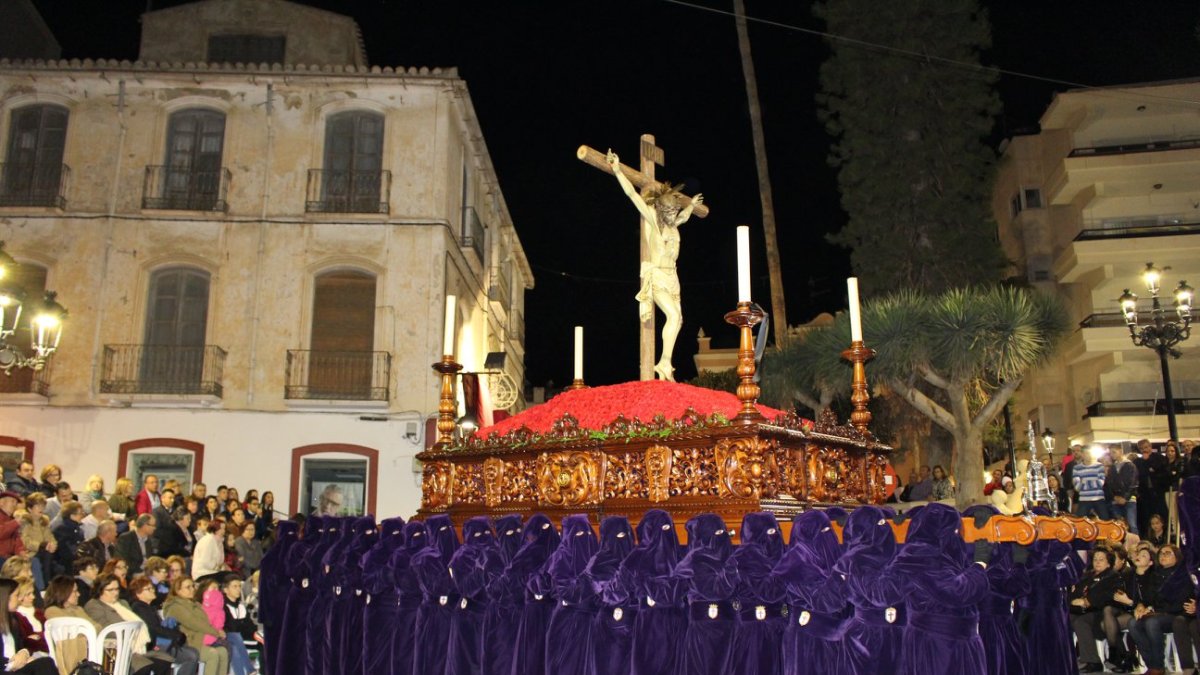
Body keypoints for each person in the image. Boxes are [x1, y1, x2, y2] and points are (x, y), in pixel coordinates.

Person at [605, 149, 702, 381]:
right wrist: (618, 170)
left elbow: (685, 216)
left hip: (673, 278)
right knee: (672, 315)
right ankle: (664, 363)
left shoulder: (674, 223)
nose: (671, 214)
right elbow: (633, 195)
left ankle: (665, 362)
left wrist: (691, 206)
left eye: (674, 211)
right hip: (657, 276)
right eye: (668, 211)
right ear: (660, 209)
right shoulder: (653, 222)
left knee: (678, 319)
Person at [725, 512, 787, 675]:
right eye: (769, 532)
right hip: (754, 631)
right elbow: (769, 592)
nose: (774, 537)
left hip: (778, 628)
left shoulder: (779, 553)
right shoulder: (745, 557)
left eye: (775, 532)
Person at [83, 573, 173, 675]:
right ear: (99, 590)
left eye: (117, 589)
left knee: (165, 660)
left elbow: (137, 625)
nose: (115, 593)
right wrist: (129, 638)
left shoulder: (122, 603)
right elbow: (104, 629)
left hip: (137, 646)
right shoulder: (94, 605)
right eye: (110, 590)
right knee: (144, 666)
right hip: (114, 650)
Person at [1128, 544, 1197, 675]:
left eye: (1168, 553)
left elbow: (1184, 600)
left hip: (1177, 615)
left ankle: (1158, 666)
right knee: (1132, 623)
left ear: (1177, 557)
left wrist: (1154, 610)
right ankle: (1152, 664)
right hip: (1158, 614)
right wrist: (1141, 606)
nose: (1163, 555)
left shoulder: (1183, 575)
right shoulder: (1155, 574)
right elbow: (1147, 597)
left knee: (1152, 623)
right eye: (1161, 553)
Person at [128, 576, 199, 675]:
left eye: (152, 587)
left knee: (193, 652)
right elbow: (154, 631)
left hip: (161, 643)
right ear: (138, 593)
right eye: (148, 589)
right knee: (191, 655)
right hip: (155, 647)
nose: (153, 590)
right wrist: (177, 636)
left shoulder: (148, 607)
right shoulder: (139, 608)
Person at [162, 576, 230, 675]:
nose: (192, 589)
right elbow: (194, 623)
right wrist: (216, 632)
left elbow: (206, 622)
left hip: (200, 639)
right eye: (188, 587)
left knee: (223, 652)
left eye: (193, 586)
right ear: (178, 590)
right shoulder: (175, 607)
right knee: (212, 654)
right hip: (188, 643)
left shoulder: (195, 604)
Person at [1069, 548, 1124, 672]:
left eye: (1101, 560)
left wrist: (1087, 602)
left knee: (1081, 622)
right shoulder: (1088, 575)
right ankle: (1067, 657)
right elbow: (1076, 591)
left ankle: (1092, 661)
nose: (1097, 562)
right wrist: (1074, 600)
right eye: (1095, 559)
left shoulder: (1113, 576)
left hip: (1101, 611)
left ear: (1109, 563)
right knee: (1064, 619)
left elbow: (1108, 596)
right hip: (1081, 610)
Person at [199, 577, 255, 675]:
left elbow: (226, 624)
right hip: (209, 637)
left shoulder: (223, 605)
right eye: (213, 588)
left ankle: (247, 671)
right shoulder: (202, 606)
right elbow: (225, 625)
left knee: (234, 645)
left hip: (223, 635)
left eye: (217, 588)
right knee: (234, 638)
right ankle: (250, 669)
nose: (216, 591)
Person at [0, 579, 56, 674]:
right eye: (16, 595)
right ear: (5, 598)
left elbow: (23, 645)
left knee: (46, 662)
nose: (20, 599)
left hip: (15, 668)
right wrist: (11, 664)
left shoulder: (13, 619)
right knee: (44, 665)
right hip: (4, 669)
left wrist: (24, 652)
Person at [18, 494, 55, 582]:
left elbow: (50, 536)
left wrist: (52, 545)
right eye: (38, 506)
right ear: (30, 508)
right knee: (43, 558)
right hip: (30, 553)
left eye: (42, 506)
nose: (41, 508)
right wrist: (40, 545)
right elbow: (24, 540)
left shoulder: (44, 520)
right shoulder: (24, 521)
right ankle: (44, 586)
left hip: (44, 551)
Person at [1110, 450, 1140, 535]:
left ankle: (1135, 545)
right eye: (1111, 453)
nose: (1112, 455)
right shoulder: (1113, 467)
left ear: (1120, 451)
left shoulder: (1130, 465)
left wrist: (1125, 497)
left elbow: (1133, 483)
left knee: (1132, 524)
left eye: (1114, 452)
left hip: (1130, 499)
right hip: (1116, 499)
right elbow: (1109, 483)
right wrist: (1114, 497)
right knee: (1118, 525)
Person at [1073, 450, 1109, 519]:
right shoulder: (1076, 468)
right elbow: (1077, 486)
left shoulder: (1099, 466)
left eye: (1090, 453)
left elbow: (1101, 483)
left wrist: (1084, 482)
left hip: (1098, 498)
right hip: (1084, 499)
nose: (1089, 455)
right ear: (1082, 455)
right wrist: (1093, 481)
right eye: (1087, 453)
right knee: (1080, 522)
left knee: (1105, 520)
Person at [51, 501, 84, 572]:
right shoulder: (62, 529)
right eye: (80, 513)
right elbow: (67, 550)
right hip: (64, 566)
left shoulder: (77, 529)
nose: (82, 515)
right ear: (72, 516)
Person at [0, 491, 27, 562]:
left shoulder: (11, 519)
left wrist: (21, 551)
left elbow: (17, 539)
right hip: (2, 557)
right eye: (12, 501)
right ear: (1, 503)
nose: (14, 505)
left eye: (16, 503)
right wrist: (15, 523)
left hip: (10, 558)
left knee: (33, 561)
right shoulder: (13, 522)